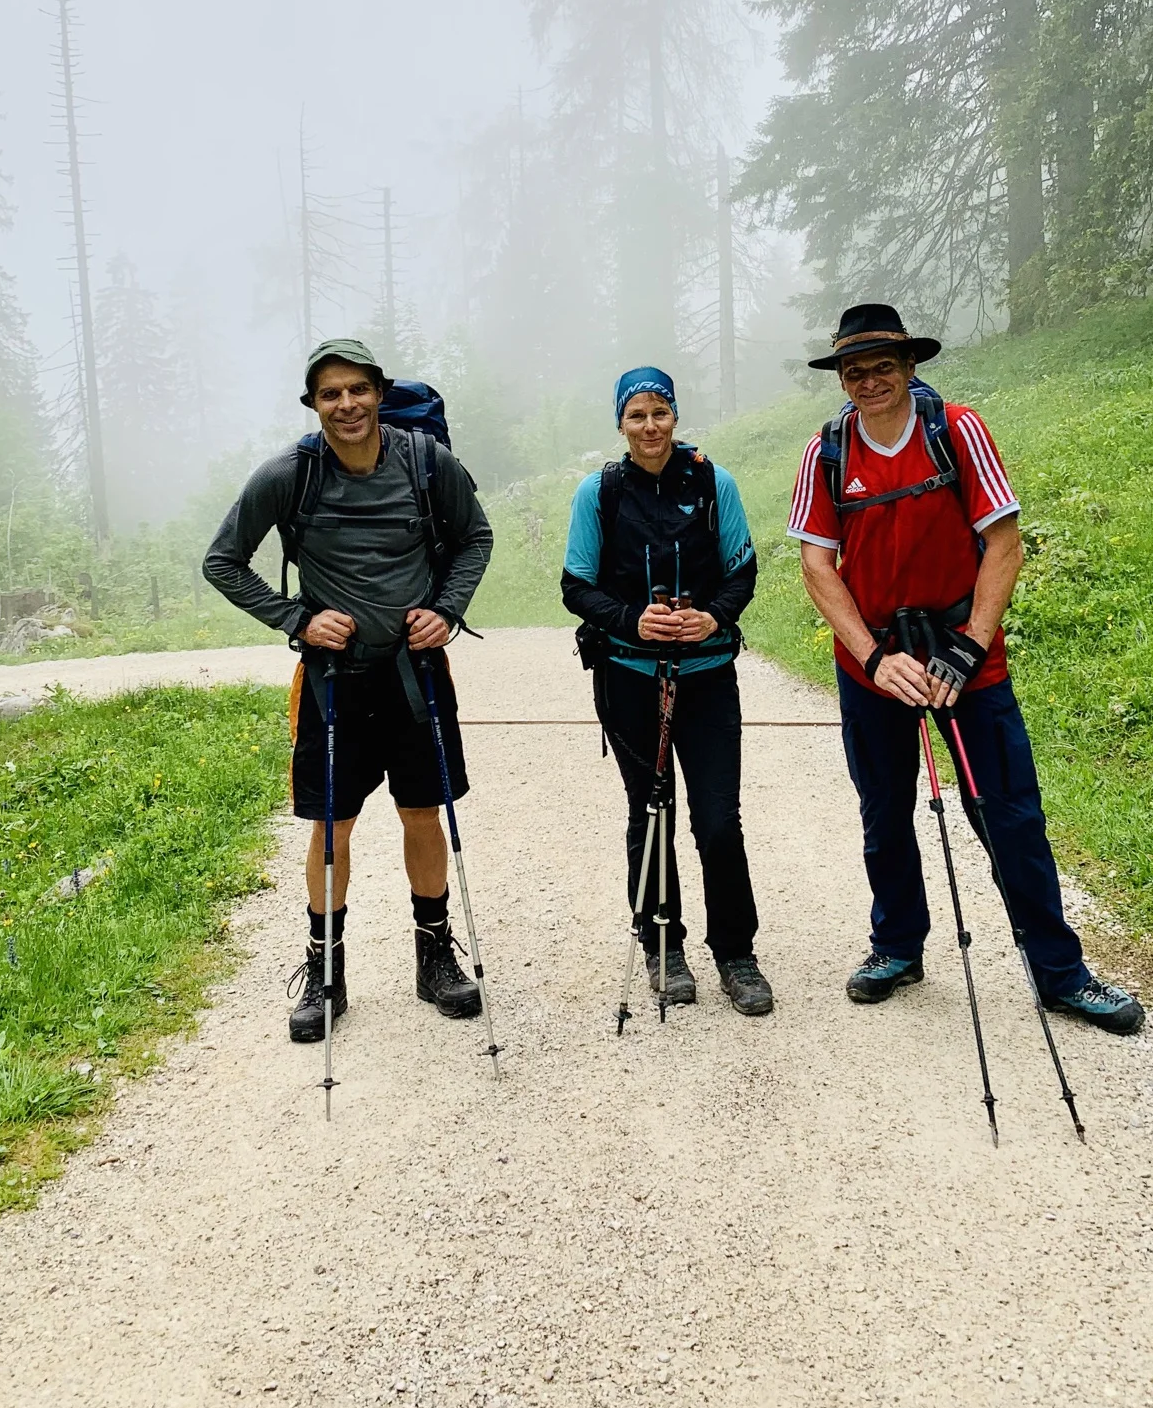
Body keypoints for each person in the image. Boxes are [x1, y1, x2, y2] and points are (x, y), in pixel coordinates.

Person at [788, 303, 1143, 1033]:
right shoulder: (827, 451)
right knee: (885, 812)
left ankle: (1061, 975)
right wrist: (874, 658)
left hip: (964, 658)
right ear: (842, 380)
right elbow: (817, 565)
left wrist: (971, 643)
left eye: (883, 366)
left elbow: (1004, 544)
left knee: (1008, 815)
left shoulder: (957, 430)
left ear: (909, 366)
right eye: (854, 371)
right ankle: (897, 948)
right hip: (876, 665)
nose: (869, 381)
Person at [204, 338, 494, 1042]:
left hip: (415, 673)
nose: (346, 404)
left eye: (358, 389)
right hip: (333, 681)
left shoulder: (427, 463)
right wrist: (297, 619)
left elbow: (475, 539)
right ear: (313, 404)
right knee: (331, 826)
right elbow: (223, 561)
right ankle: (326, 973)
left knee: (422, 813)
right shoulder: (289, 475)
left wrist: (447, 611)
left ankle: (435, 961)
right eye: (330, 394)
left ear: (379, 394)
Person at [561, 366, 773, 1016]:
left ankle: (736, 954)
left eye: (660, 412)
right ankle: (661, 946)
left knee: (718, 821)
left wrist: (713, 617)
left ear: (676, 416)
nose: (649, 426)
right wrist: (632, 620)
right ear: (620, 423)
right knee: (651, 813)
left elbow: (742, 572)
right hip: (628, 676)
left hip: (707, 676)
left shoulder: (713, 482)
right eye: (637, 415)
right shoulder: (600, 492)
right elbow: (576, 585)